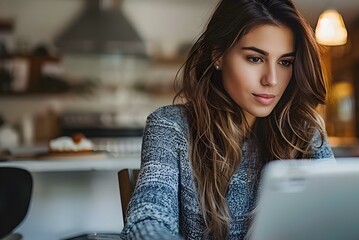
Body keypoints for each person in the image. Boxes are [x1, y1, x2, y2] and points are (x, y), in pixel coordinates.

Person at [121, 0, 334, 239]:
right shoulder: (170, 126)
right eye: (255, 58)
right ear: (218, 55)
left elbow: (339, 215)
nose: (272, 80)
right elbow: (147, 217)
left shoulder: (304, 131)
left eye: (285, 62)